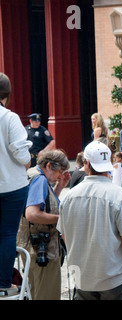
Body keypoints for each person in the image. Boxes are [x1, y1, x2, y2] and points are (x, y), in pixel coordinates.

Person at [57, 141, 122, 300]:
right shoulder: (119, 195)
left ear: (87, 164)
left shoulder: (70, 197)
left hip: (83, 278)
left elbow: (65, 235)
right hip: (114, 277)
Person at [16, 149, 71, 300]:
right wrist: (61, 218)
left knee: (37, 290)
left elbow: (44, 204)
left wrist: (59, 188)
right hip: (41, 247)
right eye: (60, 171)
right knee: (47, 293)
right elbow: (32, 213)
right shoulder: (40, 180)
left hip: (30, 244)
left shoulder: (33, 174)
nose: (61, 175)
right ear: (48, 165)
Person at [0, 72, 32, 297]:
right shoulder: (8, 117)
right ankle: (4, 281)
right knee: (8, 233)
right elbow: (22, 155)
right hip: (11, 184)